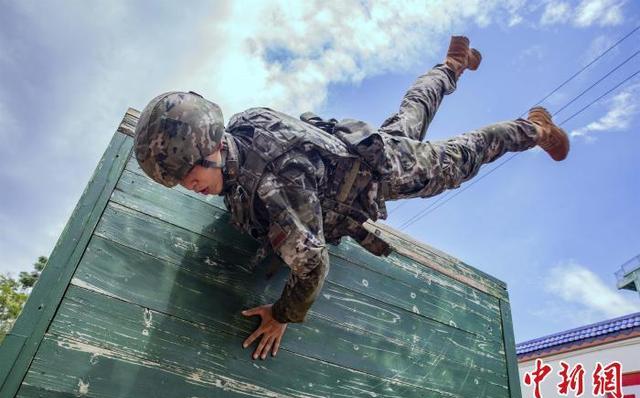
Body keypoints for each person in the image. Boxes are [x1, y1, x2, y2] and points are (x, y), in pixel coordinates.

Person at [133, 36, 569, 361]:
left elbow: (313, 265)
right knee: (412, 110)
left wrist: (282, 314)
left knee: (465, 155)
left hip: (387, 171)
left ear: (211, 147)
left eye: (188, 172)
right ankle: (453, 63)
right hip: (361, 145)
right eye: (175, 180)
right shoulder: (243, 126)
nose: (186, 185)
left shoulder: (275, 185)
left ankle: (534, 129)